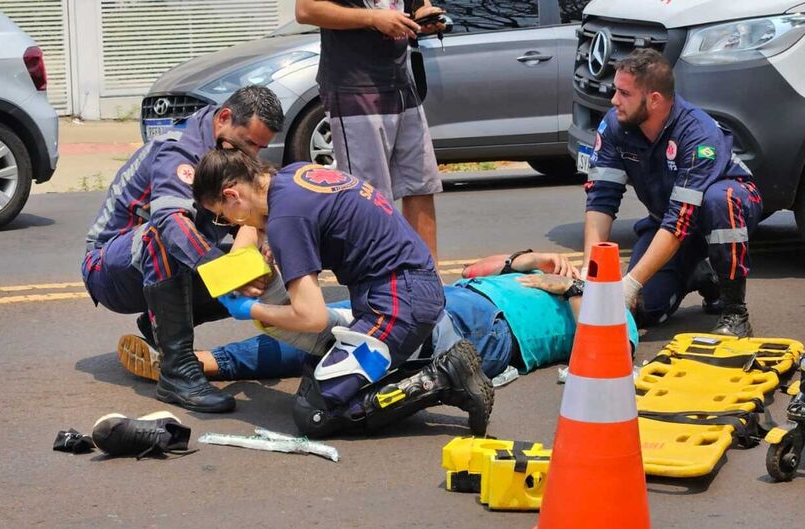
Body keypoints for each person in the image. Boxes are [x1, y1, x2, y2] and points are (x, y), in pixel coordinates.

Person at [189, 147, 493, 439]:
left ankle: (444, 378)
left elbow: (311, 317)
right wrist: (247, 260)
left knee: (314, 412)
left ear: (232, 194)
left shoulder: (286, 220)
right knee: (314, 371)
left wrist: (248, 309)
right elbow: (266, 223)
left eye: (222, 216)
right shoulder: (291, 178)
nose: (229, 223)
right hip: (407, 288)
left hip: (398, 304)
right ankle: (410, 355)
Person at [117, 251, 640, 399]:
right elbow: (477, 270)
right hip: (460, 297)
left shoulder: (619, 318)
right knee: (332, 336)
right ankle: (198, 363)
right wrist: (538, 261)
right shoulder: (561, 272)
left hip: (496, 336)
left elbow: (599, 352)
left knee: (339, 340)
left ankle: (196, 362)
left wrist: (576, 293)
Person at [81, 86, 284, 413]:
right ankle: (178, 373)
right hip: (109, 269)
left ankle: (160, 324)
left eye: (259, 148)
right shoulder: (178, 152)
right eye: (248, 143)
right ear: (224, 118)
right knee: (166, 233)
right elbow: (171, 224)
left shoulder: (229, 146)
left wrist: (267, 239)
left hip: (157, 269)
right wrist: (228, 274)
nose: (252, 156)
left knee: (259, 264)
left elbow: (253, 208)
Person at [584, 49, 763, 337]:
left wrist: (628, 284)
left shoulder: (699, 134)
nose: (614, 100)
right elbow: (601, 199)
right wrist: (588, 274)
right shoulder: (616, 124)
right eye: (615, 90)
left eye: (624, 93)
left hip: (724, 208)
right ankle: (700, 274)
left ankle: (735, 312)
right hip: (668, 220)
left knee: (720, 199)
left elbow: (680, 221)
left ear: (654, 99)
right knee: (645, 311)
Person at [295, 0, 445, 261]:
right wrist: (372, 19)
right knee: (368, 196)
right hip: (355, 86)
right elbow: (306, 10)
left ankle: (429, 283)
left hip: (401, 83)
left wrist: (423, 18)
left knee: (420, 185)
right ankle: (377, 287)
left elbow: (419, 6)